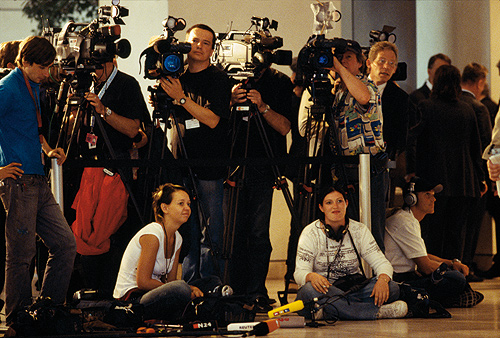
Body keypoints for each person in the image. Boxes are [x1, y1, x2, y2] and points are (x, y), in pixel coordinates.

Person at [0, 36, 77, 324]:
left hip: (36, 179)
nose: (47, 73)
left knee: (66, 244)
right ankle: (17, 321)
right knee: (21, 254)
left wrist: (47, 150)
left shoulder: (31, 86)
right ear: (25, 62)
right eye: (43, 67)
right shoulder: (7, 88)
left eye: (49, 67)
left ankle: (47, 311)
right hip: (19, 182)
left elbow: (30, 128)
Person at [70, 52, 149, 298]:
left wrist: (104, 111)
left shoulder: (126, 84)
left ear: (112, 60)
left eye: (99, 64)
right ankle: (85, 290)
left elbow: (136, 130)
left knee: (111, 231)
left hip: (116, 168)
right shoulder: (85, 84)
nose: (94, 69)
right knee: (84, 230)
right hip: (87, 168)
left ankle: (110, 293)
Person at [157, 24, 232, 283]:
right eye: (194, 41)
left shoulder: (219, 79)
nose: (199, 46)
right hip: (180, 164)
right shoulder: (175, 75)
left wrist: (180, 99)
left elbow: (212, 120)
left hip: (210, 166)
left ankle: (210, 284)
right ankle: (188, 285)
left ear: (212, 49)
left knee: (210, 230)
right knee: (185, 230)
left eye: (205, 42)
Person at [229, 47, 293, 310]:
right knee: (232, 232)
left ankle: (256, 290)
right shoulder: (230, 77)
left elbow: (285, 127)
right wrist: (231, 99)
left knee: (257, 233)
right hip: (231, 166)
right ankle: (232, 289)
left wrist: (263, 106)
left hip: (264, 167)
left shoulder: (280, 82)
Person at [406, 65, 486, 261]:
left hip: (432, 181)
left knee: (431, 233)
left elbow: (411, 139)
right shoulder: (467, 110)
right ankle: (455, 277)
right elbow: (476, 149)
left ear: (436, 82)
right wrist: (481, 179)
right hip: (463, 182)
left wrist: (411, 171)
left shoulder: (426, 106)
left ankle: (433, 280)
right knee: (456, 235)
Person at [294, 186, 407, 320]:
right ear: (321, 207)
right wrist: (311, 276)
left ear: (346, 203)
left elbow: (382, 263)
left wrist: (383, 279)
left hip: (352, 289)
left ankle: (330, 310)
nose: (335, 206)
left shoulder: (359, 230)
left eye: (339, 201)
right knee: (308, 291)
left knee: (392, 288)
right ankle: (376, 312)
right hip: (324, 290)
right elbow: (299, 273)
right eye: (329, 203)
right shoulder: (310, 233)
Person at [113, 183, 222, 321]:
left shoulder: (177, 238)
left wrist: (184, 288)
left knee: (213, 282)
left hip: (155, 294)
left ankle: (186, 313)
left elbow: (170, 281)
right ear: (165, 208)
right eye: (181, 204)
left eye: (188, 204)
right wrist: (187, 288)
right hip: (133, 299)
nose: (187, 208)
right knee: (181, 288)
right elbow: (143, 282)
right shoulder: (153, 233)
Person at [385, 177, 484, 307]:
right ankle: (446, 299)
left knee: (455, 278)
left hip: (407, 277)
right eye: (427, 195)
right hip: (399, 281)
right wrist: (450, 270)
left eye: (433, 195)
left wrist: (452, 263)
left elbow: (423, 256)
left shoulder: (408, 219)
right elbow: (426, 267)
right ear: (411, 198)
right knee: (457, 279)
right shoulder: (404, 222)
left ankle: (452, 297)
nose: (434, 199)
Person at [366, 41, 409, 207]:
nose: (386, 67)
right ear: (369, 63)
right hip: (350, 164)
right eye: (381, 61)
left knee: (381, 214)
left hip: (383, 166)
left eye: (392, 64)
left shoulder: (400, 97)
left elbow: (401, 137)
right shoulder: (353, 87)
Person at [460, 62, 492, 281]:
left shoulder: (448, 103)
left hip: (451, 177)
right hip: (473, 177)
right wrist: (485, 178)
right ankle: (466, 267)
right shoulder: (478, 107)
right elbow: (486, 147)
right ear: (480, 82)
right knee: (470, 226)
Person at [406, 53, 451, 179]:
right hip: (424, 164)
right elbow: (412, 136)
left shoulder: (452, 99)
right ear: (429, 71)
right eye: (439, 70)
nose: (442, 75)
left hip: (445, 165)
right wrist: (412, 169)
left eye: (445, 71)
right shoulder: (417, 97)